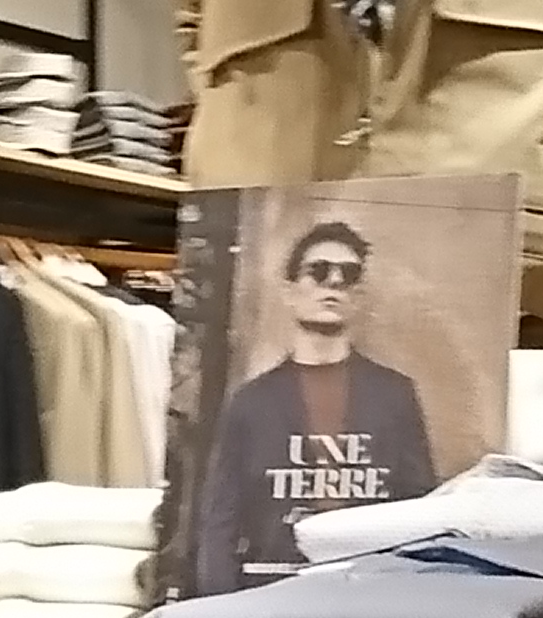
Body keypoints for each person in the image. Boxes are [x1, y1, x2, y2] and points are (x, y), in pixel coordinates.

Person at [180, 214, 443, 595]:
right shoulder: (252, 402)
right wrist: (218, 606)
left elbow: (419, 509)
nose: (334, 282)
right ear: (290, 291)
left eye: (348, 274)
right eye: (318, 271)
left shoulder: (395, 394)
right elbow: (221, 520)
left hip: (369, 592)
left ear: (359, 296)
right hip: (271, 588)